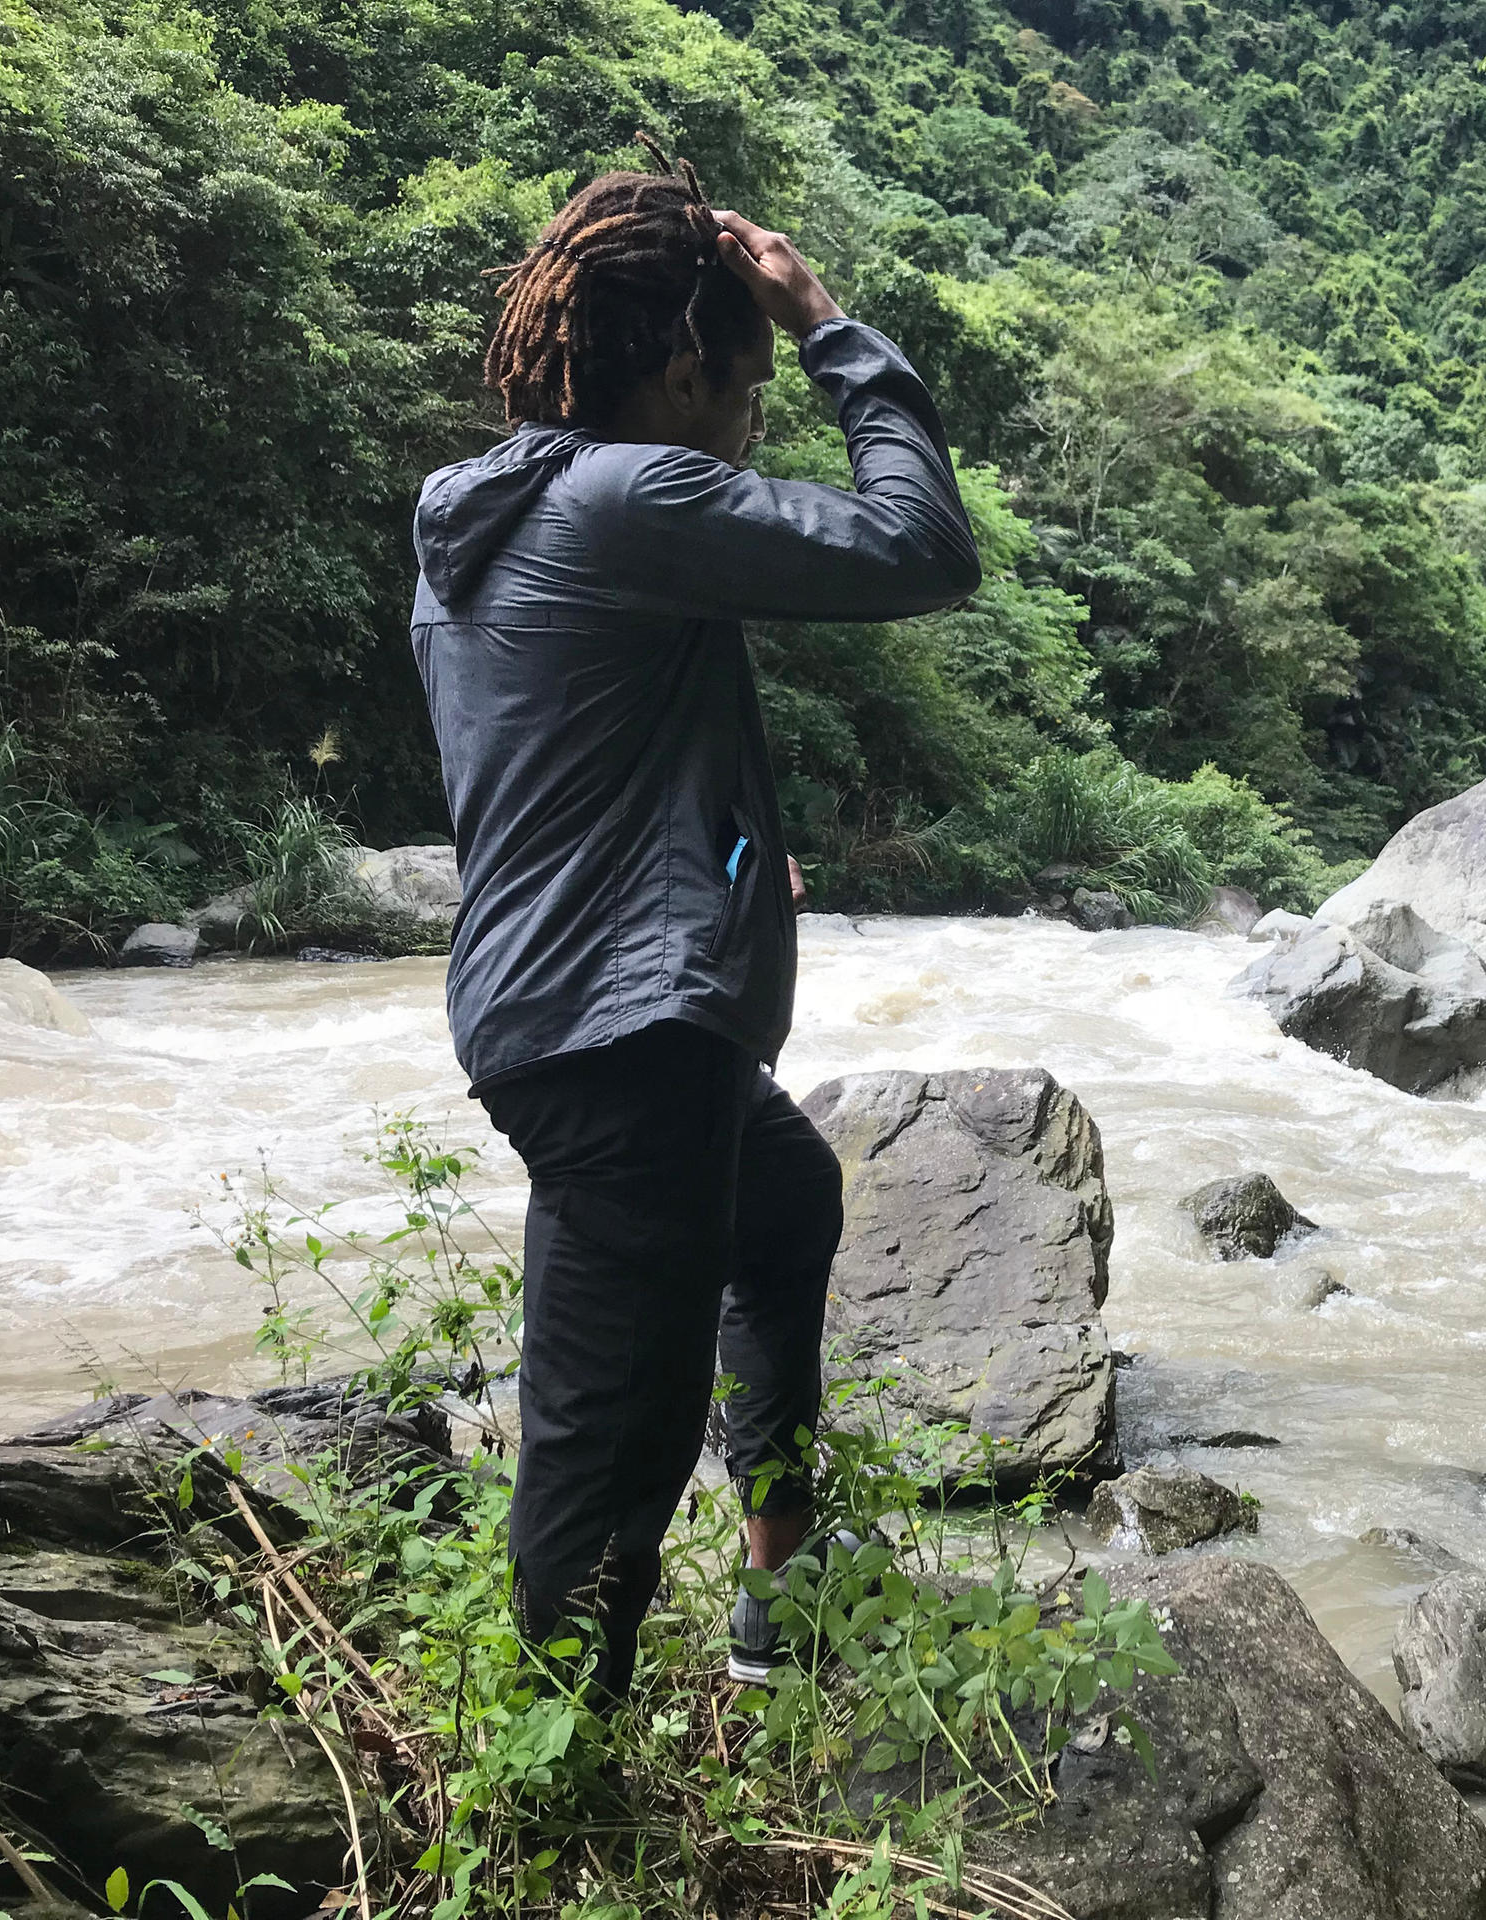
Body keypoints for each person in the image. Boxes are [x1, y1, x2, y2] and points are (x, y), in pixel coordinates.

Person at [406, 139, 981, 1699]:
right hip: (624, 1031)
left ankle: (783, 1585)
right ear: (677, 364)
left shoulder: (483, 514)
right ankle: (556, 1771)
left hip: (567, 1002)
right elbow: (926, 549)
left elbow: (571, 759)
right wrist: (831, 327)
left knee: (783, 1203)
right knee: (610, 1441)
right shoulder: (626, 495)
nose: (747, 430)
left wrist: (722, 854)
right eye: (743, 393)